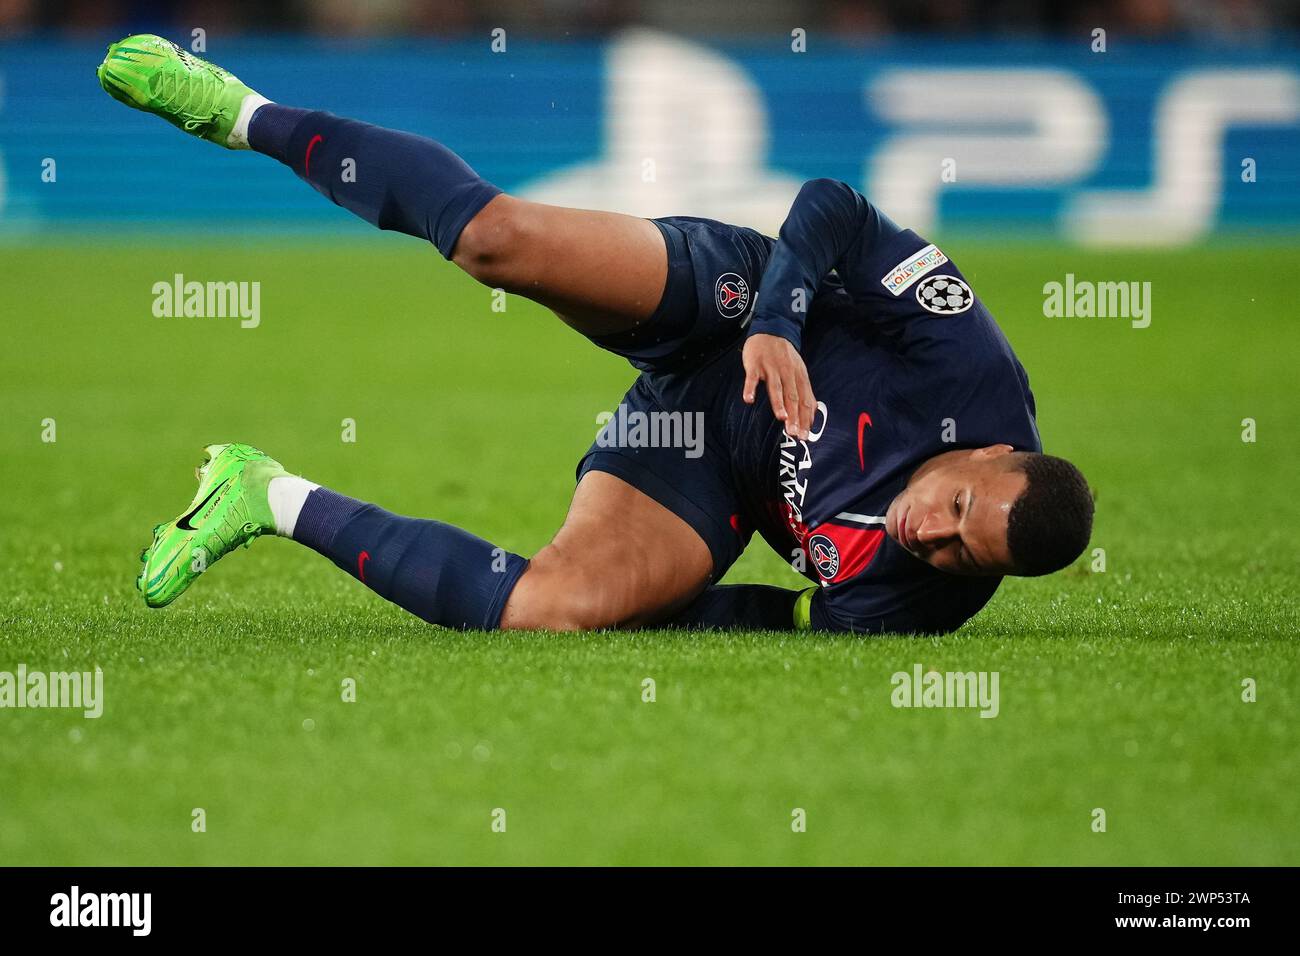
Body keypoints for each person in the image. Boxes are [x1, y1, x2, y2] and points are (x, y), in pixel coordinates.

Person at [100, 34, 1093, 634]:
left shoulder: (919, 601)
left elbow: (790, 618)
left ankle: (263, 491)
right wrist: (784, 323)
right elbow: (836, 204)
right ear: (997, 450)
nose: (931, 532)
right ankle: (242, 111)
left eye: (963, 552)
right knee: (496, 240)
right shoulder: (962, 361)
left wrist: (651, 603)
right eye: (958, 502)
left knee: (550, 608)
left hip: (705, 455)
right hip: (740, 302)